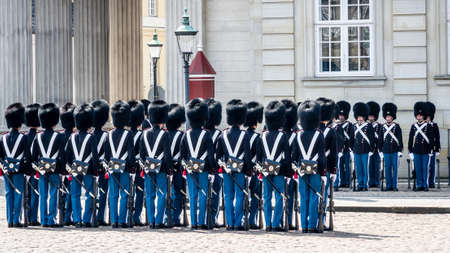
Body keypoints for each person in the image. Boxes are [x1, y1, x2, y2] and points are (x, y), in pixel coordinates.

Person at [291, 100, 326, 233]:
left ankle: (304, 225)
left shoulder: (298, 135)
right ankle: (312, 225)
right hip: (316, 170)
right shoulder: (319, 135)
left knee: (303, 197)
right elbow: (322, 157)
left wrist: (296, 169)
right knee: (313, 197)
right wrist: (323, 173)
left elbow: (294, 155)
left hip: (301, 170)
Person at [180, 98, 215, 230]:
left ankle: (193, 222)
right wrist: (213, 170)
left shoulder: (186, 135)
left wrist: (186, 166)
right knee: (203, 195)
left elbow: (182, 155)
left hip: (190, 169)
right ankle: (201, 222)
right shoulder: (206, 134)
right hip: (204, 169)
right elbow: (211, 156)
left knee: (193, 196)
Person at [257, 101, 291, 232]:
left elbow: (259, 157)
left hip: (266, 171)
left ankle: (268, 224)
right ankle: (276, 224)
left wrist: (261, 171)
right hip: (280, 171)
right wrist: (288, 173)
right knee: (278, 198)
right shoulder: (283, 136)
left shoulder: (262, 136)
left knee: (266, 198)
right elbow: (287, 157)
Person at [216, 99, 250, 231]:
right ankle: (237, 223)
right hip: (240, 170)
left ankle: (230, 223)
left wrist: (224, 165)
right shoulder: (244, 135)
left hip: (227, 171)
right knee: (240, 196)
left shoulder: (222, 134)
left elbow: (218, 155)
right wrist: (248, 169)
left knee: (228, 196)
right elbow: (247, 156)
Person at [31, 103, 66, 227]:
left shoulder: (38, 137)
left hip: (41, 170)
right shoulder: (59, 137)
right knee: (53, 195)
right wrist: (62, 170)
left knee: (43, 195)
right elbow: (62, 155)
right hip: (55, 169)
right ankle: (51, 219)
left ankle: (44, 220)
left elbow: (33, 156)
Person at [64, 104, 99, 227]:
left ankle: (77, 219)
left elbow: (67, 156)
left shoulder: (71, 137)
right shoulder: (91, 137)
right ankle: (86, 219)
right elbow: (95, 156)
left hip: (74, 169)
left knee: (75, 195)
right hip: (89, 169)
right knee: (89, 194)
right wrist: (96, 171)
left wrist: (70, 168)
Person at [140, 100, 172, 229]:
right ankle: (159, 221)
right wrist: (169, 169)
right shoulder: (165, 134)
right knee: (161, 194)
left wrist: (145, 165)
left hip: (148, 168)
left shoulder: (144, 134)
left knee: (150, 195)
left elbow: (142, 155)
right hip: (162, 169)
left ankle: (151, 220)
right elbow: (167, 155)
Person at [104, 100, 135, 228]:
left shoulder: (108, 134)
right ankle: (122, 220)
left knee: (113, 194)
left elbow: (106, 154)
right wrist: (132, 167)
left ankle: (114, 221)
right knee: (124, 194)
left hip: (112, 167)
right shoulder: (128, 134)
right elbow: (131, 154)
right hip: (125, 168)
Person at [0, 103, 28, 227]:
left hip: (7, 170)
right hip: (19, 170)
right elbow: (27, 156)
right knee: (18, 193)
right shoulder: (23, 138)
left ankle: (10, 220)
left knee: (8, 194)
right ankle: (16, 219)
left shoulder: (2, 138)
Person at [316, 98, 337, 228]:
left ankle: (313, 219)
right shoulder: (331, 131)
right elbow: (334, 153)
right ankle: (322, 219)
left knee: (314, 194)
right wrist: (334, 170)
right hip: (328, 167)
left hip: (313, 167)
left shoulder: (312, 131)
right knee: (323, 194)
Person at [165, 103, 186, 226]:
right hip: (177, 169)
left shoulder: (163, 134)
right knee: (178, 193)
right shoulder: (181, 135)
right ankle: (176, 217)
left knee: (166, 192)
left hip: (165, 168)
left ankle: (167, 217)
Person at [244, 101, 263, 230]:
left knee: (242, 196)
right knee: (256, 196)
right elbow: (260, 157)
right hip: (255, 171)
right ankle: (252, 220)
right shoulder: (257, 137)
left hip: (243, 170)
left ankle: (242, 218)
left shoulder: (242, 135)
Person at [91, 99, 110, 226]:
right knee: (103, 193)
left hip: (91, 167)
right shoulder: (106, 135)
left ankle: (90, 215)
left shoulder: (89, 135)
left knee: (91, 192)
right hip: (102, 168)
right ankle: (100, 216)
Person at [204, 98, 222, 227]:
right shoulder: (219, 134)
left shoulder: (200, 133)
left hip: (203, 168)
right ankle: (213, 218)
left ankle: (204, 218)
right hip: (215, 168)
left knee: (203, 195)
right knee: (215, 194)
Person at [408, 102, 434, 191]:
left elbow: (431, 139)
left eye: (421, 115)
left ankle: (425, 184)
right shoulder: (413, 126)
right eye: (418, 115)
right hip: (416, 150)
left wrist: (431, 150)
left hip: (426, 151)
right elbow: (410, 139)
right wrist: (410, 150)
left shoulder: (428, 126)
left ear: (423, 116)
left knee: (425, 169)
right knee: (418, 169)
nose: (419, 117)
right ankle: (419, 185)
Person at [281, 99, 298, 230]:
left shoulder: (276, 134)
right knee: (290, 196)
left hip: (278, 168)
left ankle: (281, 220)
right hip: (291, 169)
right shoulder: (295, 135)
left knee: (280, 196)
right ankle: (288, 219)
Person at [128, 100, 146, 226]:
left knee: (127, 193)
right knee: (139, 193)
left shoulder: (124, 134)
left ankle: (126, 215)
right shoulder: (142, 135)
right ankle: (136, 216)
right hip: (138, 169)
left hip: (126, 167)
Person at [378, 103, 403, 191]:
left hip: (395, 150)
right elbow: (380, 139)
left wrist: (400, 150)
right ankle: (388, 185)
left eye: (389, 117)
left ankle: (394, 185)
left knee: (395, 169)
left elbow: (400, 138)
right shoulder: (382, 127)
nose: (388, 118)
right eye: (387, 117)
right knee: (387, 169)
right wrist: (380, 150)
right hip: (386, 150)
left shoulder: (396, 126)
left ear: (392, 117)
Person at [24, 103, 41, 226]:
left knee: (26, 194)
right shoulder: (39, 137)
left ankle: (25, 216)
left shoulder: (23, 136)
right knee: (35, 193)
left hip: (24, 169)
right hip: (35, 170)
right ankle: (33, 218)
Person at [352, 102, 375, 191]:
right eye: (358, 117)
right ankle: (360, 183)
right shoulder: (354, 126)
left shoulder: (368, 126)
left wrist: (371, 149)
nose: (360, 118)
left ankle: (365, 184)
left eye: (361, 117)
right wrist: (351, 149)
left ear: (364, 117)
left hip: (365, 150)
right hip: (357, 150)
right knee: (358, 169)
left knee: (365, 169)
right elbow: (351, 139)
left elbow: (372, 139)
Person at [60, 102, 76, 226]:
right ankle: (67, 216)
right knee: (71, 193)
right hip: (72, 167)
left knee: (62, 192)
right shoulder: (75, 136)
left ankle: (61, 214)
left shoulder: (59, 135)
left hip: (61, 168)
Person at [336, 101, 353, 188]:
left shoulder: (349, 125)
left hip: (347, 148)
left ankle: (347, 182)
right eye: (340, 115)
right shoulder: (336, 125)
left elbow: (351, 137)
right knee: (340, 167)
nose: (341, 117)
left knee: (347, 166)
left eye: (342, 116)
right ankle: (342, 182)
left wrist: (351, 148)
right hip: (339, 149)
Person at [425, 102, 440, 188]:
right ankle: (425, 182)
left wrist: (437, 148)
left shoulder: (434, 125)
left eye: (428, 117)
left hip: (432, 148)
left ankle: (431, 182)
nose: (427, 118)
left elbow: (437, 138)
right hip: (424, 148)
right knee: (425, 167)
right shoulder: (422, 125)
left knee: (432, 166)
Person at [367, 101, 381, 188]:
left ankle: (376, 182)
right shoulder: (366, 126)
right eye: (369, 116)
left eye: (372, 116)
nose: (371, 118)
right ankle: (371, 182)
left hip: (376, 149)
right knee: (369, 167)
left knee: (376, 167)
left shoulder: (379, 126)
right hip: (368, 150)